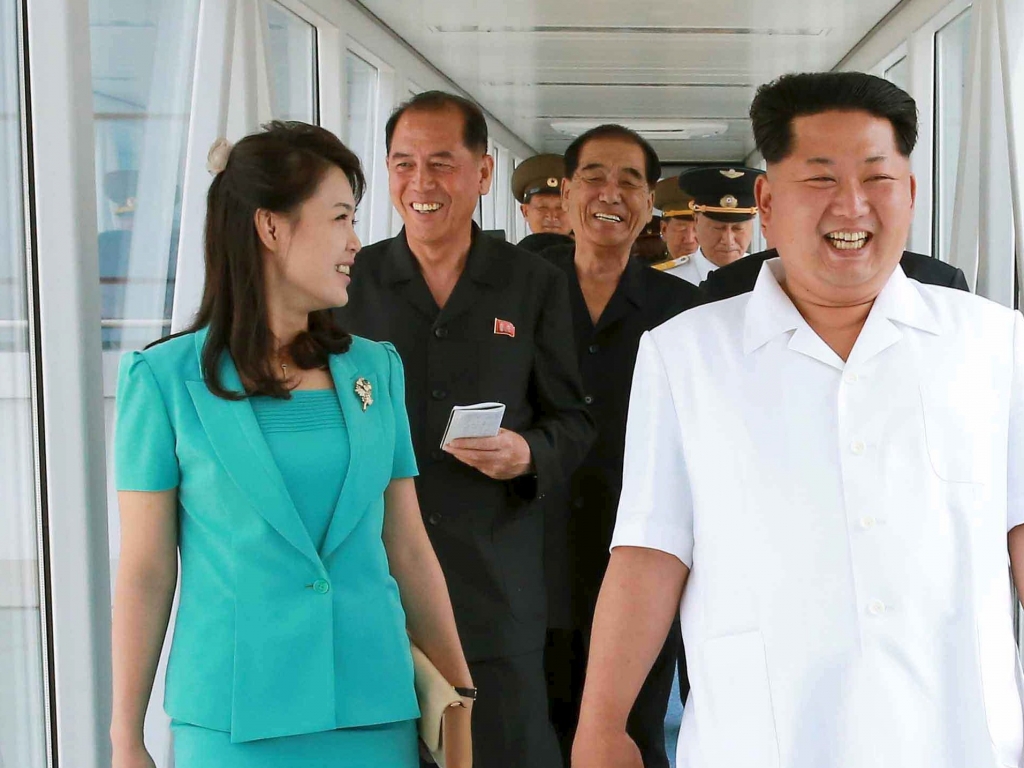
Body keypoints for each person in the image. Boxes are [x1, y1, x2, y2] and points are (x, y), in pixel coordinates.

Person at [573, 71, 1024, 768]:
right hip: (762, 737)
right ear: (768, 200)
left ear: (908, 192)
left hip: (955, 733)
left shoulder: (996, 346)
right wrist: (602, 725)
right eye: (820, 179)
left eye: (877, 178)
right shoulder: (685, 354)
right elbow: (649, 551)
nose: (852, 206)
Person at [110, 122, 473, 768]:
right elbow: (145, 570)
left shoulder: (374, 370)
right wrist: (125, 737)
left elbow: (408, 547)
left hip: (374, 710)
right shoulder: (162, 383)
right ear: (271, 228)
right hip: (232, 722)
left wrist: (459, 696)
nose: (356, 242)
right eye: (339, 219)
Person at [333, 91, 594, 768]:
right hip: (373, 581)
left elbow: (574, 420)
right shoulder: (349, 281)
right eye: (403, 164)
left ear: (482, 174)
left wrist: (526, 452)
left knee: (506, 750)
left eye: (442, 164)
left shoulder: (532, 282)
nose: (421, 184)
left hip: (495, 585)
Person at [539, 124, 700, 768]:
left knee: (631, 737)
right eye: (595, 177)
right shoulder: (520, 298)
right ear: (569, 189)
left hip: (641, 565)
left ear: (651, 198)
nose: (612, 192)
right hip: (531, 563)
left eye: (630, 180)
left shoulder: (686, 311)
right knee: (531, 740)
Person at [667, 165, 763, 284]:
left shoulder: (767, 278)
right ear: (696, 222)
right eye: (718, 228)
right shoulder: (669, 281)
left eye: (738, 228)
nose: (728, 240)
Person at [513, 153, 574, 253]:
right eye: (542, 207)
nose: (552, 216)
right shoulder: (510, 260)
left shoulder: (595, 258)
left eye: (561, 207)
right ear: (525, 211)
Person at [649, 177, 698, 274]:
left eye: (697, 229)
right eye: (681, 228)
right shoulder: (648, 280)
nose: (689, 240)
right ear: (664, 230)